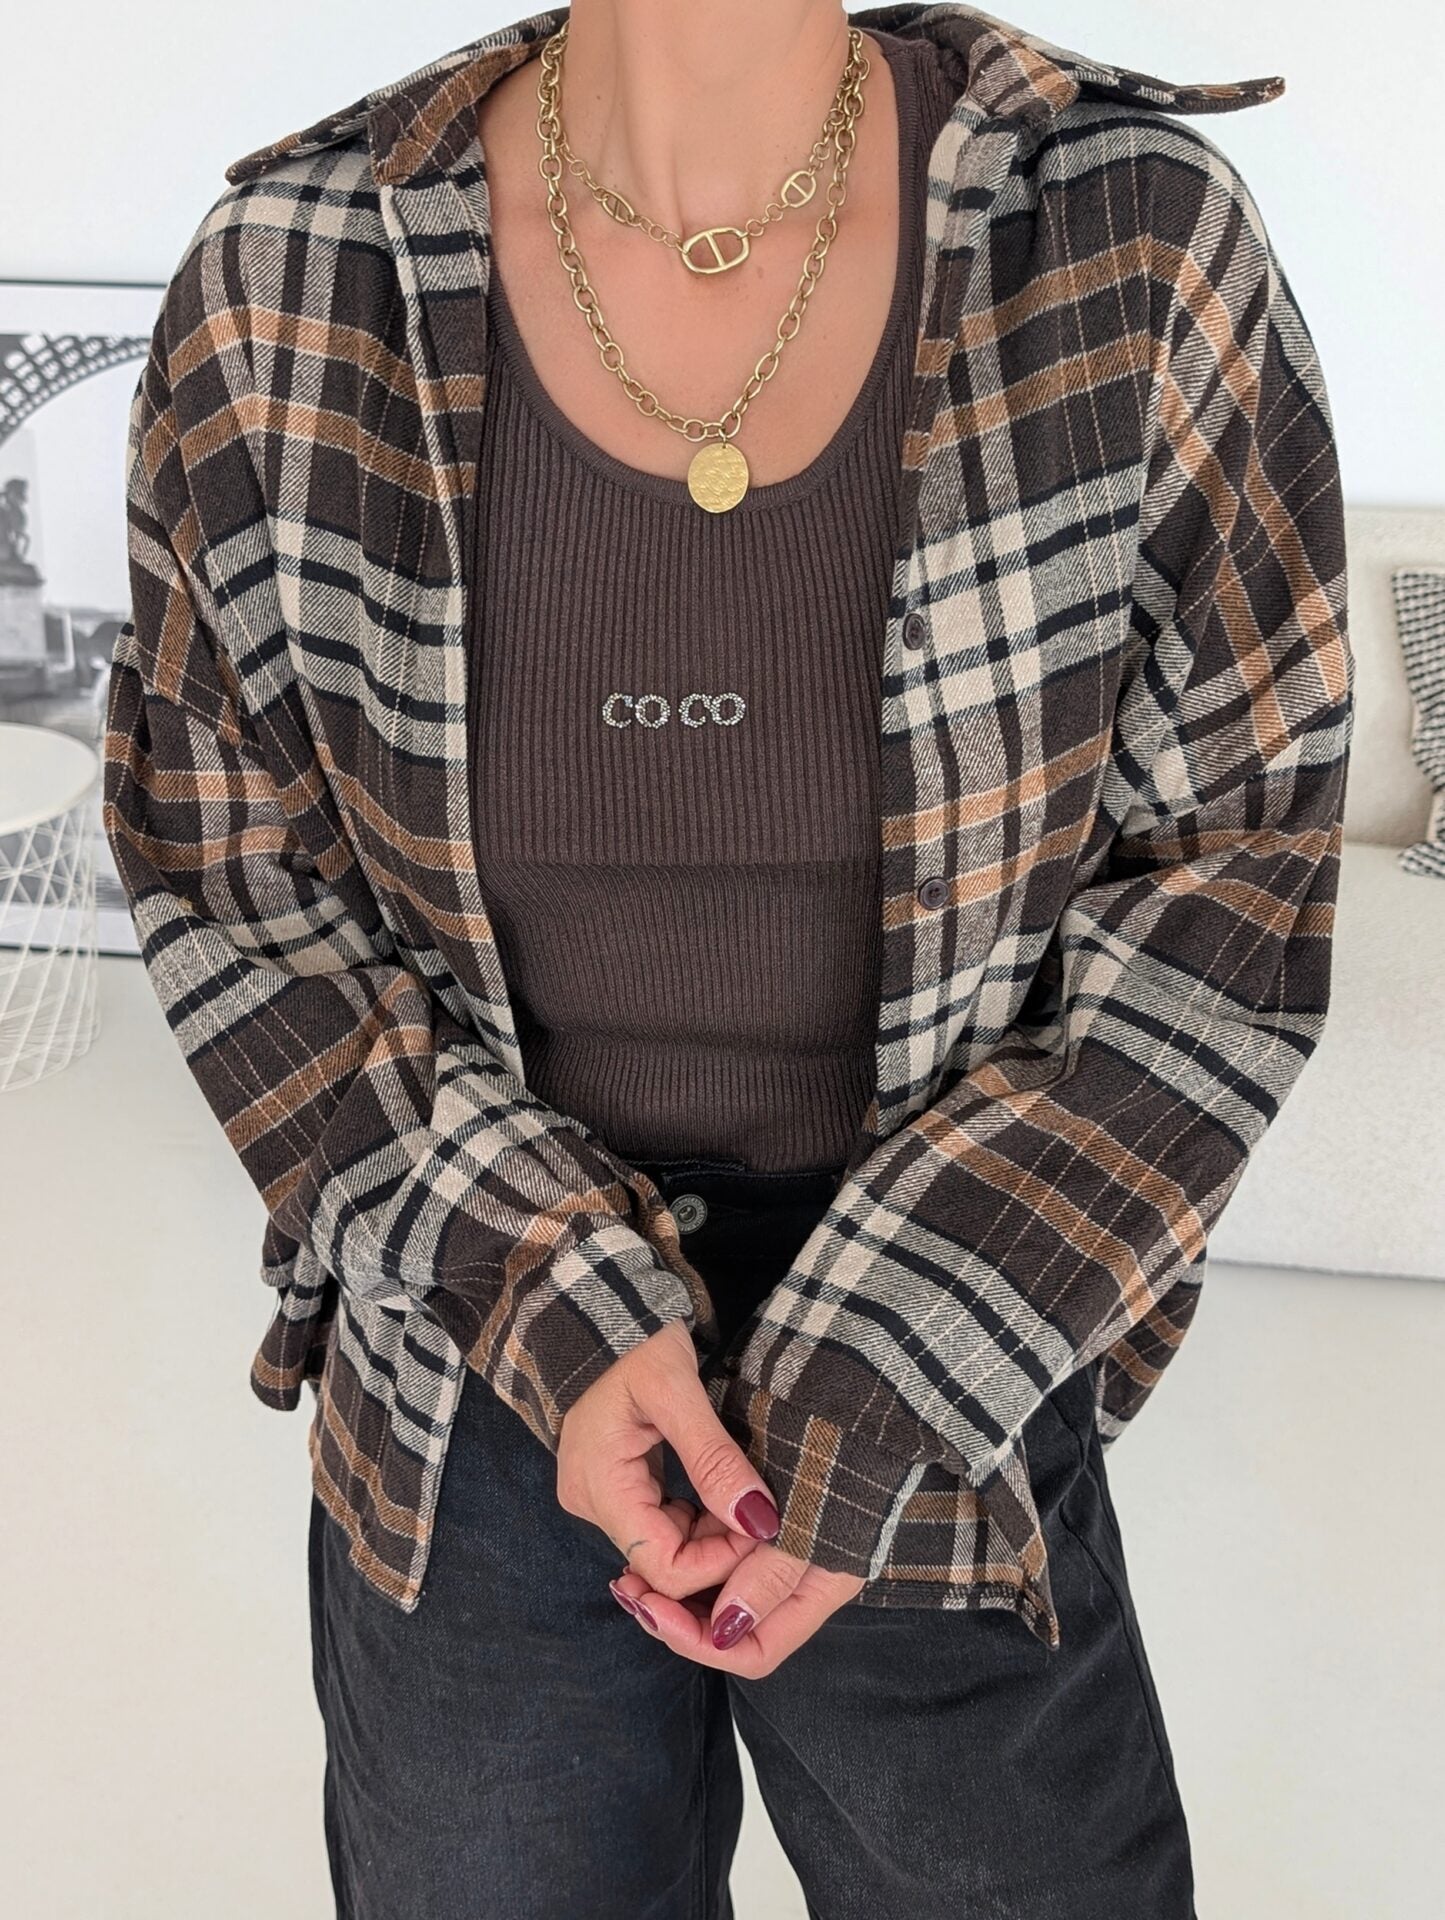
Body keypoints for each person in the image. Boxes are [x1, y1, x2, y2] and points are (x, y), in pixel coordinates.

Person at [102, 3, 1354, 1914]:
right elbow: (234, 881)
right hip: (470, 1343)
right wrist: (544, 1292)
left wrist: (898, 1364)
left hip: (955, 1327)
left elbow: (1230, 885)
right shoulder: (289, 280)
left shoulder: (1135, 236)